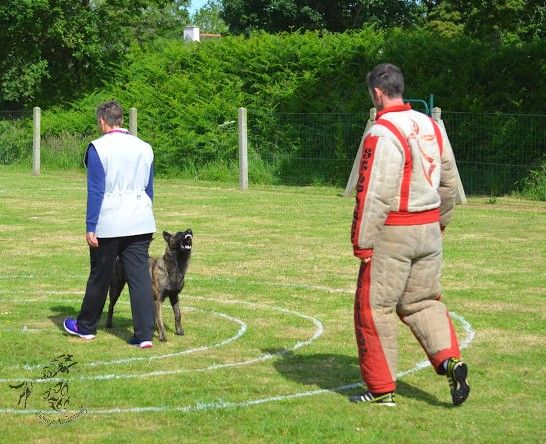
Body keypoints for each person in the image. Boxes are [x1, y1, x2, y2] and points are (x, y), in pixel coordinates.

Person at [350, 63, 470, 406]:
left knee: (374, 309)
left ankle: (381, 388)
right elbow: (449, 182)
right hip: (429, 228)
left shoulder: (382, 132)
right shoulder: (431, 125)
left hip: (394, 232)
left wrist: (362, 242)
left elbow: (374, 192)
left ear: (376, 93)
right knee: (423, 301)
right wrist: (441, 223)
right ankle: (450, 360)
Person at [64, 100, 156, 348]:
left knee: (100, 275)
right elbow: (149, 189)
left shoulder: (98, 148)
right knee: (139, 277)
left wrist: (90, 225)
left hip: (110, 219)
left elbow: (96, 190)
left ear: (102, 121)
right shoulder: (144, 147)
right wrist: (145, 216)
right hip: (140, 218)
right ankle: (145, 334)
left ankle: (86, 327)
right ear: (122, 121)